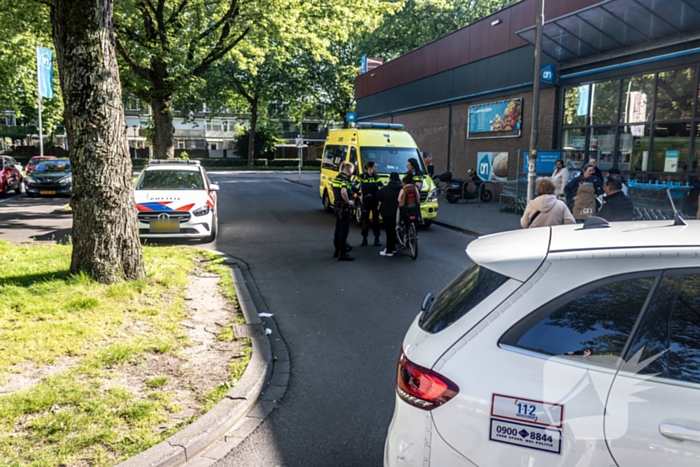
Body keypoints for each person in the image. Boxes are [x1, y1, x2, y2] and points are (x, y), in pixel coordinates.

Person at [332, 162, 355, 261]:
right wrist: (349, 202)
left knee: (338, 229)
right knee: (344, 231)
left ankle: (337, 250)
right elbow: (343, 191)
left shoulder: (336, 178)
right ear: (350, 171)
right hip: (344, 208)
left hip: (337, 206)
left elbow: (332, 188)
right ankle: (342, 253)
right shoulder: (345, 180)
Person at [359, 161, 383, 247]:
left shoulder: (376, 177)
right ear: (369, 168)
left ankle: (377, 239)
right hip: (366, 202)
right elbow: (356, 186)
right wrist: (358, 195)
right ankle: (364, 239)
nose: (376, 169)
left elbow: (382, 186)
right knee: (365, 221)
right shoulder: (362, 177)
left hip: (375, 201)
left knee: (376, 221)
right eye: (374, 167)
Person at [377, 172, 402, 257]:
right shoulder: (401, 188)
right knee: (395, 231)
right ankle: (393, 248)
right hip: (399, 213)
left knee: (389, 232)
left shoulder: (385, 189)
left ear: (390, 179)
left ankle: (389, 250)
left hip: (387, 212)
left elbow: (379, 197)